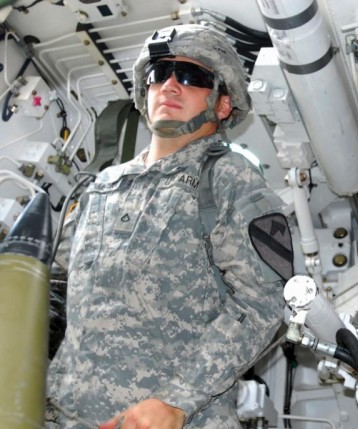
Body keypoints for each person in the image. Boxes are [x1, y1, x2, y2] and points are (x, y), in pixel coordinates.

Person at [46, 24, 290, 429]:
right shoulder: (101, 186)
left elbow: (264, 302)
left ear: (223, 104)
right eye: (160, 75)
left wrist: (177, 401)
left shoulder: (228, 179)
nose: (171, 85)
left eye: (192, 77)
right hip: (66, 416)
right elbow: (59, 289)